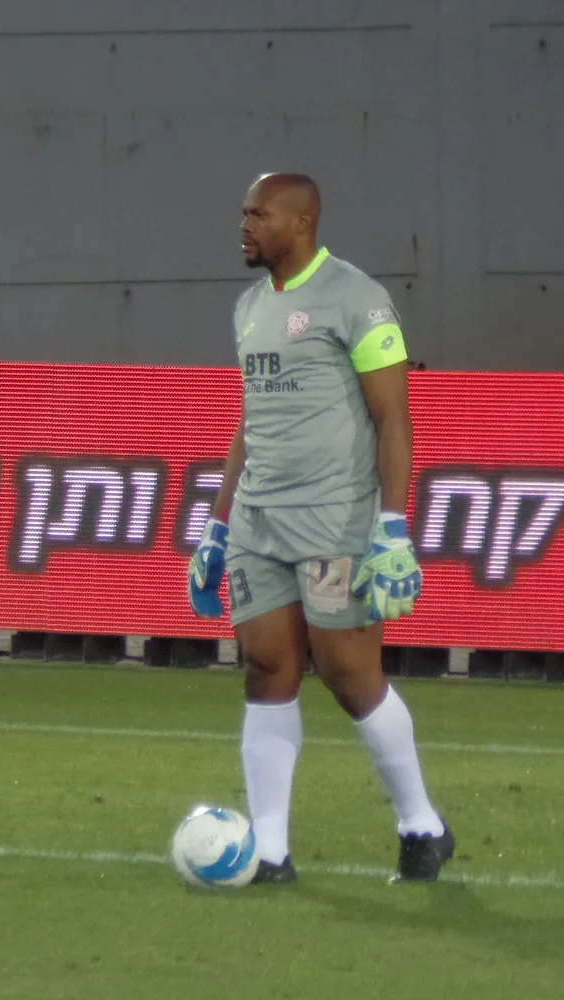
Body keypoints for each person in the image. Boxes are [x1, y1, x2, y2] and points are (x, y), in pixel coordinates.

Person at [187, 173, 454, 884]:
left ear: (301, 222)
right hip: (259, 524)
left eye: (258, 214)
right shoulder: (249, 307)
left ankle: (422, 825)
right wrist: (217, 524)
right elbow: (251, 421)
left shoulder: (357, 299)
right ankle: (270, 853)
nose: (244, 225)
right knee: (265, 669)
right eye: (243, 212)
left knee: (348, 674)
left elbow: (393, 420)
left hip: (334, 521)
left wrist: (392, 526)